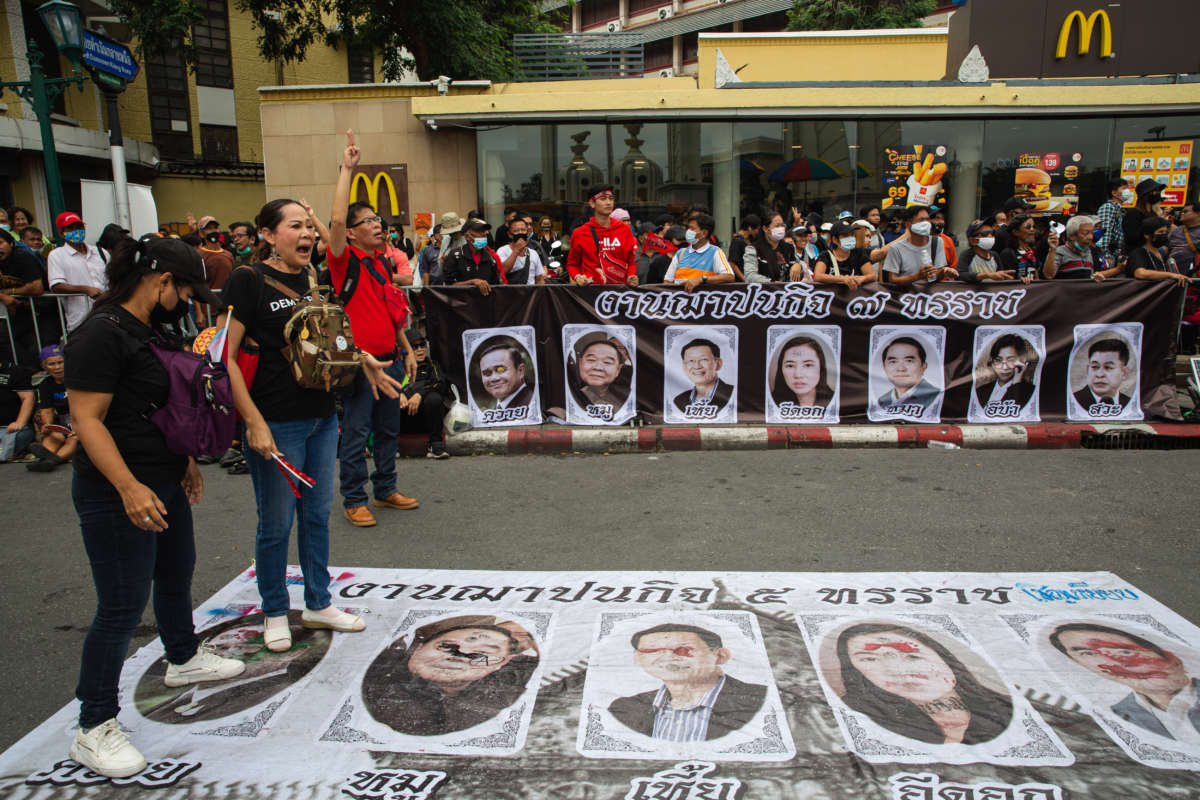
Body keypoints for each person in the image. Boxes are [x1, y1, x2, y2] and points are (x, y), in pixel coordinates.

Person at [64, 236, 246, 777]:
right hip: (116, 490)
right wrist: (127, 486)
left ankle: (183, 657)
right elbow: (88, 421)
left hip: (162, 477)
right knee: (121, 606)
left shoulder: (153, 329)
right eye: (185, 291)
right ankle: (93, 724)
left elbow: (161, 403)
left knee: (175, 573)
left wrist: (183, 460)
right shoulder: (99, 334)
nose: (187, 302)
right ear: (162, 280)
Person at [223, 190, 402, 651]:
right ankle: (274, 610)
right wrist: (253, 421)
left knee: (317, 517)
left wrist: (362, 358)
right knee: (276, 524)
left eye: (308, 226)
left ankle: (319, 602)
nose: (307, 234)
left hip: (322, 416)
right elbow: (225, 357)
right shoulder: (247, 280)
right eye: (295, 226)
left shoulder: (310, 276)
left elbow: (324, 342)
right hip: (276, 422)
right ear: (267, 235)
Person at [324, 134, 420, 527]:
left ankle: (385, 489)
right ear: (350, 232)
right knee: (356, 432)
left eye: (378, 220)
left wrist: (406, 349)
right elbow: (334, 220)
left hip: (391, 360)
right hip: (362, 366)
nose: (378, 225)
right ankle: (353, 498)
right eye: (368, 221)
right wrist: (348, 169)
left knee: (387, 431)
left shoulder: (381, 263)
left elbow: (389, 313)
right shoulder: (342, 260)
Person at [835, 622, 1012, 745]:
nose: (897, 669)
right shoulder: (852, 718)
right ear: (855, 670)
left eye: (912, 656)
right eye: (869, 659)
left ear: (944, 658)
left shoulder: (1008, 707)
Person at [362, 616, 540, 736]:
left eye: (482, 654)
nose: (462, 654)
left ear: (501, 664)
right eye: (447, 646)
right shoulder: (376, 680)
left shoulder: (504, 687)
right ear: (418, 647)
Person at [608, 623, 767, 742]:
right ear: (637, 657)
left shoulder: (763, 699)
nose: (668, 657)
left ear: (720, 656)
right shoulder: (625, 708)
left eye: (684, 650)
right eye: (652, 650)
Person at [1049, 622, 1199, 742]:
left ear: (1174, 660)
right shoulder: (1116, 715)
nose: (1115, 663)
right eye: (1088, 653)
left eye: (1126, 652)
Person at [566, 185, 639, 287]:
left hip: (618, 291)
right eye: (603, 199)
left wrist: (631, 276)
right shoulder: (580, 233)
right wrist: (578, 277)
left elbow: (631, 261)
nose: (608, 202)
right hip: (591, 292)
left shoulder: (624, 230)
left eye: (611, 198)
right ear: (592, 203)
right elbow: (572, 264)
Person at [46, 212, 108, 331]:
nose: (76, 231)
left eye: (79, 227)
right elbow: (57, 286)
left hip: (107, 316)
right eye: (71, 228)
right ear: (61, 233)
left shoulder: (100, 252)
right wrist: (85, 289)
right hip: (81, 321)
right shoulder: (57, 255)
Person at [398, 329, 452, 459]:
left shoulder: (431, 365)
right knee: (390, 399)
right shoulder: (397, 367)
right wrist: (399, 394)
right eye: (415, 346)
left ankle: (436, 445)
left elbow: (440, 383)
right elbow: (385, 386)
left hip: (426, 419)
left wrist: (419, 394)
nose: (420, 350)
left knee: (434, 398)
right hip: (402, 419)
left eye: (422, 345)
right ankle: (390, 446)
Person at [26, 344, 77, 472]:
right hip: (63, 422)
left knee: (74, 439)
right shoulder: (46, 384)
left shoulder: (77, 379)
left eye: (60, 362)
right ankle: (47, 460)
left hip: (81, 420)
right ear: (45, 367)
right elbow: (47, 410)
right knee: (53, 436)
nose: (57, 367)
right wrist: (47, 425)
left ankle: (52, 461)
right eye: (52, 364)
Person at [0, 226, 46, 366]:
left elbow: (36, 288)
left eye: (0, 243)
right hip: (17, 311)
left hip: (43, 310)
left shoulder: (22, 257)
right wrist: (3, 297)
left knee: (39, 344)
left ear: (11, 243)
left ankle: (35, 369)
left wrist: (9, 292)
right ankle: (30, 370)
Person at [881, 207, 955, 285]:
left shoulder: (937, 242)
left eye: (927, 219)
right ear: (908, 224)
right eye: (921, 220)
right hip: (906, 291)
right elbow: (892, 279)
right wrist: (917, 276)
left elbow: (938, 273)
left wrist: (944, 272)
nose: (926, 223)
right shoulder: (896, 248)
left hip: (929, 291)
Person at [663, 214, 735, 293]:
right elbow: (667, 282)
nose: (688, 231)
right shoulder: (680, 253)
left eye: (692, 228)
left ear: (704, 233)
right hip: (680, 300)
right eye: (688, 228)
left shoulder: (715, 252)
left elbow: (729, 277)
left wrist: (701, 279)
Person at [568, 331, 632, 419]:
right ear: (580, 362)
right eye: (591, 360)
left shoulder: (629, 377)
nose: (598, 367)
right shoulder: (577, 391)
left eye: (607, 362)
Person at [974, 334, 1036, 417]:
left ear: (1022, 361)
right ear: (992, 362)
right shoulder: (980, 391)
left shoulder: (1031, 392)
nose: (1004, 367)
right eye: (998, 360)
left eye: (1011, 360)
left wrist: (1016, 384)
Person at [877, 337, 940, 415]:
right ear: (884, 367)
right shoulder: (882, 401)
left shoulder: (937, 397)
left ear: (924, 366)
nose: (901, 368)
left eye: (909, 361)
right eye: (893, 361)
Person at [771, 335, 834, 413]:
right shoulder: (768, 404)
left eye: (808, 365)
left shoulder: (838, 401)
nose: (798, 375)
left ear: (821, 367)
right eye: (790, 366)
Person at [813, 220, 882, 290]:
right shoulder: (826, 255)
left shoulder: (859, 254)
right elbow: (817, 276)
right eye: (845, 236)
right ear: (835, 240)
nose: (850, 238)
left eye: (852, 235)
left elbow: (872, 275)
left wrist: (862, 278)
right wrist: (843, 279)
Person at [672, 338, 734, 415]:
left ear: (718, 364)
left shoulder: (734, 393)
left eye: (704, 359)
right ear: (684, 366)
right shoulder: (679, 400)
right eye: (691, 360)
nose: (697, 366)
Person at [443, 218, 506, 294]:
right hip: (461, 300)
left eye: (485, 231)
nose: (484, 234)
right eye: (479, 231)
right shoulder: (455, 256)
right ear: (467, 236)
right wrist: (472, 282)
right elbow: (448, 286)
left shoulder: (491, 257)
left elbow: (496, 285)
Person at [1125, 217, 1190, 286]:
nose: (1164, 235)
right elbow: (1140, 273)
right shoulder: (1138, 253)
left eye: (1166, 232)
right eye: (1161, 232)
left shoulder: (1161, 254)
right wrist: (1171, 275)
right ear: (1147, 235)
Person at [1073, 337, 1133, 412]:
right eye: (1094, 367)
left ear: (1124, 372)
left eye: (1108, 367)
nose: (1099, 374)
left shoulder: (1131, 405)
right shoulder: (1072, 402)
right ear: (1088, 369)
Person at [1050, 216, 1118, 281]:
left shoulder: (1088, 253)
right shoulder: (1060, 252)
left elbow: (1089, 278)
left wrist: (1096, 278)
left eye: (1091, 233)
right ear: (1072, 236)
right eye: (1086, 233)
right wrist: (1052, 250)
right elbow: (1049, 276)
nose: (1090, 237)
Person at [476, 340, 534, 411]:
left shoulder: (533, 405)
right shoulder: (491, 410)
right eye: (487, 373)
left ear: (520, 370)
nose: (494, 378)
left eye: (501, 370)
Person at [998, 214, 1055, 282]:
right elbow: (1007, 281)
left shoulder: (1033, 251)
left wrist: (1052, 249)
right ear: (1016, 232)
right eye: (1028, 227)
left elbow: (1046, 276)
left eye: (1033, 227)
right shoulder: (1008, 253)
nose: (1032, 229)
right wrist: (1019, 281)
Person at [195, 226, 233, 326]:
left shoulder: (228, 254)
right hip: (208, 311)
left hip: (227, 309)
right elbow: (195, 284)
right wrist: (199, 313)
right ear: (201, 233)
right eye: (209, 228)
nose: (213, 231)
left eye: (215, 228)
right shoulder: (198, 255)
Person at [0, 359, 34, 462]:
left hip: (11, 429)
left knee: (21, 437)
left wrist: (20, 422)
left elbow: (28, 398)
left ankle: (17, 452)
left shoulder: (14, 371)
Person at [743, 213, 793, 283]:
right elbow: (750, 276)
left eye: (782, 225)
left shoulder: (789, 248)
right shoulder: (753, 249)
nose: (781, 228)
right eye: (777, 226)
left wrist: (798, 266)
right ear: (765, 229)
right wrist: (771, 283)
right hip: (765, 288)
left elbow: (798, 265)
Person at [496, 217, 545, 285]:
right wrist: (516, 251)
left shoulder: (533, 253)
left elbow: (539, 279)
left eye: (523, 230)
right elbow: (501, 272)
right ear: (509, 234)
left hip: (530, 291)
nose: (520, 233)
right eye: (516, 231)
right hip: (510, 291)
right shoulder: (502, 251)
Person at [1096, 179, 1132, 263]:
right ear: (1114, 193)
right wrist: (1106, 256)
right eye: (1124, 188)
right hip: (1108, 257)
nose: (1127, 191)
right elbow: (1104, 233)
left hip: (1116, 255)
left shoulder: (1120, 210)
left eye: (1127, 188)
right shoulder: (1108, 207)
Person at [1123, 179, 1165, 251]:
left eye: (1158, 191)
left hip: (1152, 252)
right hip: (1137, 252)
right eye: (1155, 191)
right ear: (1146, 195)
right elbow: (1131, 237)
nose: (1158, 193)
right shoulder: (1133, 213)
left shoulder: (1154, 213)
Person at [1168, 202, 1200, 276]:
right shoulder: (1175, 231)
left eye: (1185, 212)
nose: (1181, 214)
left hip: (1194, 275)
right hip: (1173, 274)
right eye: (1181, 212)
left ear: (1198, 213)